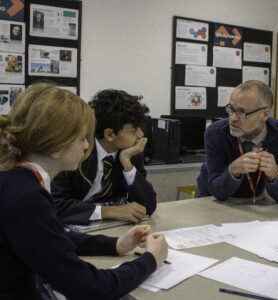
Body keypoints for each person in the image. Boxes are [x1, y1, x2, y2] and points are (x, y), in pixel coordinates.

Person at [0, 82, 168, 300]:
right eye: (83, 138)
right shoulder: (25, 196)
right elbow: (90, 287)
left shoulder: (16, 180)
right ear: (56, 147)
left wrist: (115, 244)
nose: (86, 146)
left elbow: (52, 238)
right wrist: (151, 260)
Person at [51, 89, 157, 225]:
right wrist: (109, 211)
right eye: (134, 129)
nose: (141, 134)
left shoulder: (130, 152)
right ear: (109, 135)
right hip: (70, 228)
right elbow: (55, 205)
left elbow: (147, 206)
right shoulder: (74, 150)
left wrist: (127, 164)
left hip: (107, 228)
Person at [197, 80, 278, 202]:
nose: (233, 118)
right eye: (231, 109)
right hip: (211, 199)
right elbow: (216, 191)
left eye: (241, 112)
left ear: (265, 114)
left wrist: (274, 174)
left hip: (256, 203)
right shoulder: (216, 133)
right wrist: (233, 170)